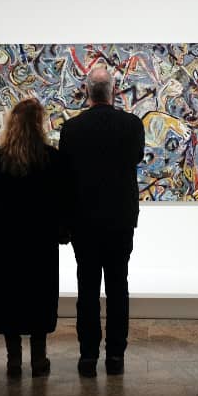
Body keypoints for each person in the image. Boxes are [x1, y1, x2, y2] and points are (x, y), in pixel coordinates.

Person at [59, 67, 145, 377]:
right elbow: (135, 157)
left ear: (86, 91)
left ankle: (87, 356)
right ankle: (116, 356)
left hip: (83, 221)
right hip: (120, 219)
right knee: (118, 286)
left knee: (87, 287)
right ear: (113, 91)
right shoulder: (132, 125)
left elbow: (65, 176)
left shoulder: (71, 129)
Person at [0, 97, 64, 378]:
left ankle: (13, 360)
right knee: (38, 296)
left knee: (9, 297)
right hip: (40, 239)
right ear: (38, 125)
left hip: (6, 239)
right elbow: (61, 197)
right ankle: (39, 360)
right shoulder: (50, 157)